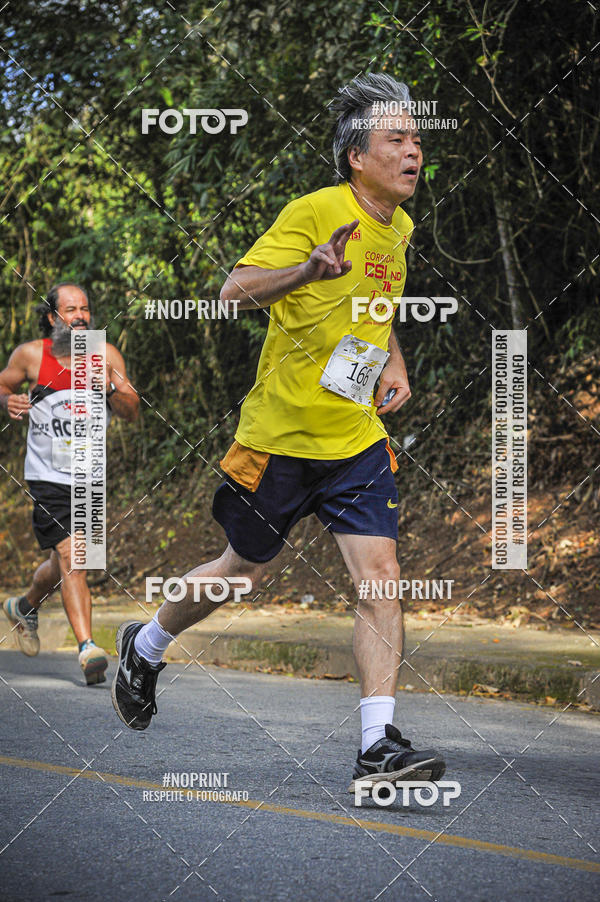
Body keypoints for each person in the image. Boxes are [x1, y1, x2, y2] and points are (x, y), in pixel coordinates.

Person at [112, 73, 446, 790]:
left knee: (380, 577)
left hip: (354, 436)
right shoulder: (315, 209)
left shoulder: (401, 226)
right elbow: (232, 290)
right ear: (358, 156)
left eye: (417, 138)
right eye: (398, 139)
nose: (415, 150)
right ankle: (146, 643)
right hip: (281, 434)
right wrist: (306, 269)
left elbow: (378, 306)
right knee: (241, 575)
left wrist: (395, 362)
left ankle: (376, 744)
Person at [0, 282, 139, 684]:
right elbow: (3, 384)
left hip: (89, 476)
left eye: (85, 309)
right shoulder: (31, 355)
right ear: (52, 318)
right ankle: (87, 648)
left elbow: (131, 410)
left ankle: (25, 606)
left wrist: (110, 387)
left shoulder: (106, 355)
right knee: (75, 557)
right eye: (70, 310)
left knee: (63, 563)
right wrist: (6, 401)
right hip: (47, 476)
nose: (80, 316)